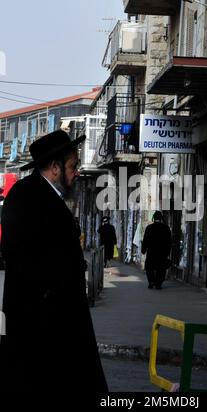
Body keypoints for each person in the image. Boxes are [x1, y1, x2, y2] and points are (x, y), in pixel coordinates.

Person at [0, 130, 108, 401]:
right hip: (41, 327)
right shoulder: (26, 198)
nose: (77, 172)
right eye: (73, 166)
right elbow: (23, 259)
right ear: (54, 167)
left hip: (53, 322)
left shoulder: (42, 197)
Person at [142, 211, 172, 290]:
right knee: (161, 268)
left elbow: (145, 240)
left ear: (153, 218)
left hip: (151, 252)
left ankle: (151, 281)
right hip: (162, 252)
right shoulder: (166, 228)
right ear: (161, 218)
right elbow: (169, 241)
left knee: (149, 267)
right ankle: (158, 283)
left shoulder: (149, 228)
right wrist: (168, 252)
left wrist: (143, 250)